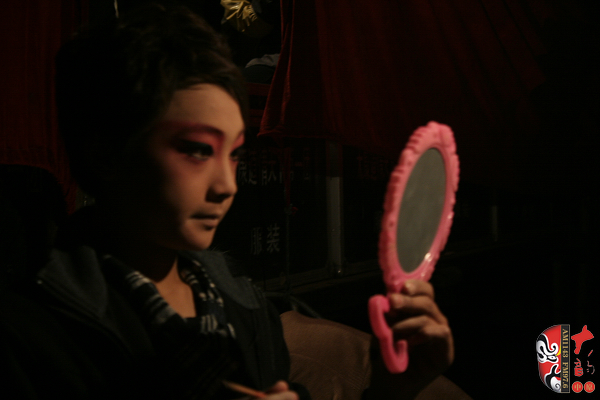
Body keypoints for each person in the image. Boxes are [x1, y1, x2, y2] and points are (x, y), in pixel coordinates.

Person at [0, 3, 453, 399]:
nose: (227, 185)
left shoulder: (240, 304)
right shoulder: (34, 332)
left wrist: (391, 390)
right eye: (198, 151)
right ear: (106, 153)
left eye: (234, 154)